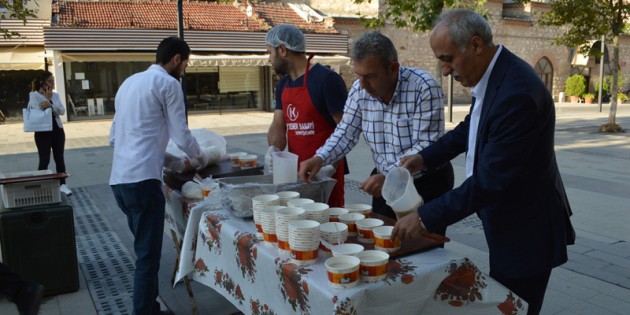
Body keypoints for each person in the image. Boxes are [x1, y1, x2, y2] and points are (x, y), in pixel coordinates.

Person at [393, 10, 575, 315]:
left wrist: (423, 217)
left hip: (527, 231)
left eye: (448, 58)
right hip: (508, 222)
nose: (445, 70)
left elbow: (489, 181)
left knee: (514, 308)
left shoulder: (516, 93)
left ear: (476, 45)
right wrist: (425, 158)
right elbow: (472, 126)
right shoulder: (493, 73)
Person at [298, 31, 454, 226]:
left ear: (393, 68)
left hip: (426, 181)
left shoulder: (423, 87)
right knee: (385, 242)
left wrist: (391, 177)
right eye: (359, 76)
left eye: (371, 76)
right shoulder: (358, 90)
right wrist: (320, 158)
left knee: (425, 245)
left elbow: (427, 144)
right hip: (382, 180)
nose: (363, 85)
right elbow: (345, 132)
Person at [109, 36, 205, 315]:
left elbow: (118, 138)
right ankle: (144, 311)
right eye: (185, 64)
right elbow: (181, 134)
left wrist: (169, 159)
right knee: (147, 258)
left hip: (119, 182)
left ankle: (149, 306)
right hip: (143, 184)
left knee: (144, 252)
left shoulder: (128, 83)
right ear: (176, 60)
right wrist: (201, 157)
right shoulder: (169, 84)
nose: (184, 70)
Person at [264, 24, 349, 207]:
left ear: (282, 50)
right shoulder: (283, 85)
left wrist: (329, 167)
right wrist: (273, 150)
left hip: (326, 174)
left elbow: (346, 131)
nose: (269, 59)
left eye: (270, 52)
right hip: (296, 175)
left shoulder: (327, 80)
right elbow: (278, 127)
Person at [27, 70, 72, 196]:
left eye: (53, 81)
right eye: (50, 81)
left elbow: (62, 111)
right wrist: (45, 101)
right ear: (42, 83)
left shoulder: (55, 95)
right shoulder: (34, 95)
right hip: (42, 132)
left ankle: (63, 184)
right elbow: (37, 109)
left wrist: (50, 104)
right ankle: (41, 185)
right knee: (44, 159)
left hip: (57, 130)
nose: (53, 84)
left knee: (59, 158)